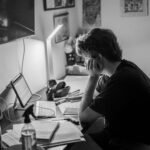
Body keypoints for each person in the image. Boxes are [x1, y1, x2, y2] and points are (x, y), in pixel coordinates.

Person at [75, 28, 150, 150]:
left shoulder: (122, 80)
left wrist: (92, 77)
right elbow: (94, 100)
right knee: (90, 131)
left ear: (98, 58)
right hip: (122, 134)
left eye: (85, 58)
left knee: (76, 142)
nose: (84, 63)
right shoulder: (121, 69)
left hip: (132, 143)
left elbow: (84, 116)